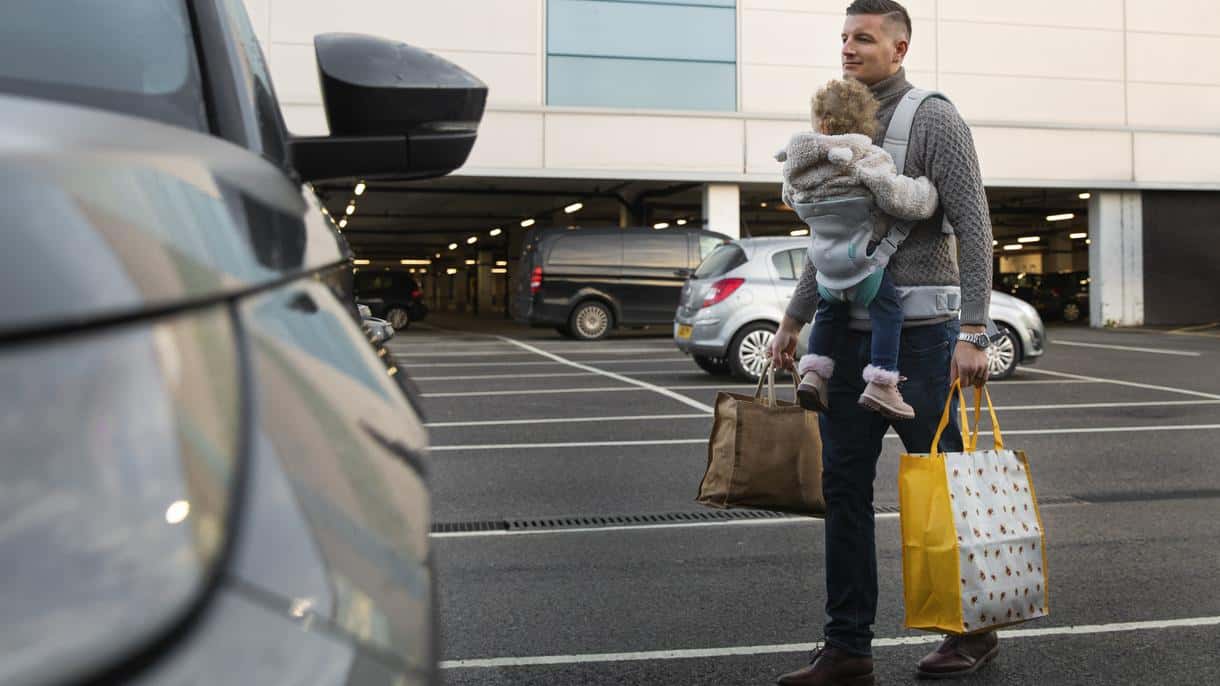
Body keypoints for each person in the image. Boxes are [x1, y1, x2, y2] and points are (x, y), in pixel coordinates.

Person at [769, 1, 995, 684]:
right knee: (843, 490)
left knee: (942, 482)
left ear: (898, 48)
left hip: (924, 340)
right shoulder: (841, 127)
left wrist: (976, 329)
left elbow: (974, 222)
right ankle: (847, 649)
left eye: (862, 38)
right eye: (843, 37)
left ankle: (973, 629)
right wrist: (791, 319)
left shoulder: (933, 118)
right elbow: (832, 246)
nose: (847, 48)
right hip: (847, 341)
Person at [776, 78, 939, 420]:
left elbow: (789, 198)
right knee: (888, 312)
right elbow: (900, 198)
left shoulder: (797, 167)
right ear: (865, 126)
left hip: (825, 270)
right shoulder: (865, 157)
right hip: (863, 265)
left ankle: (814, 375)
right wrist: (927, 189)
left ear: (819, 123)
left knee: (829, 314)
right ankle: (882, 383)